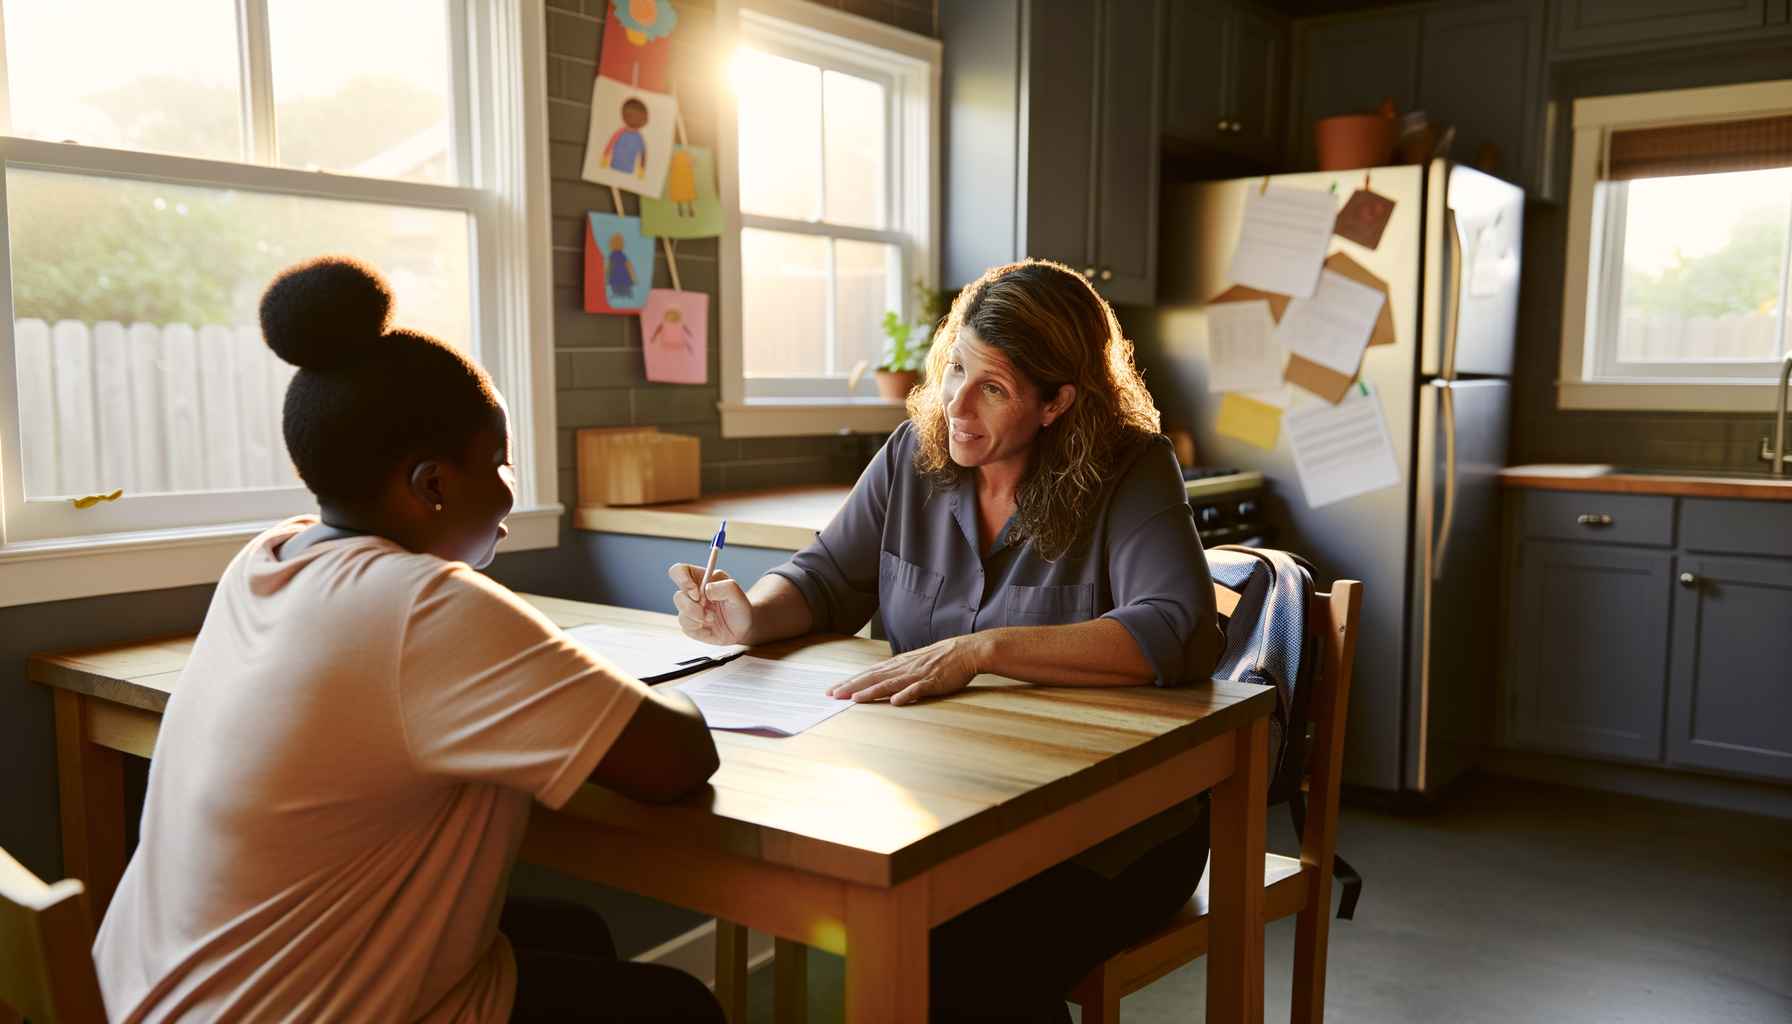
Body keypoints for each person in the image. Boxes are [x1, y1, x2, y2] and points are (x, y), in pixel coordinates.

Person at [94, 256, 726, 1024]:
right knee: (679, 1007)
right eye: (498, 461)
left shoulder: (267, 559)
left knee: (575, 931)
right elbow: (678, 762)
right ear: (432, 484)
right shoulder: (429, 605)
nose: (508, 487)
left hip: (158, 997)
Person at [667, 259, 1225, 1023]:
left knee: (960, 960)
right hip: (951, 809)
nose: (954, 404)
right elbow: (827, 575)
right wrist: (752, 614)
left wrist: (985, 648)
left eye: (991, 387)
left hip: (1115, 831)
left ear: (1058, 400)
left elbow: (1179, 628)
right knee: (899, 940)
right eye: (955, 367)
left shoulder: (1131, 467)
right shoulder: (912, 454)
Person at [601, 97, 650, 179]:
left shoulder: (637, 137)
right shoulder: (620, 133)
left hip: (627, 171)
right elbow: (611, 143)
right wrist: (605, 157)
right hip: (614, 166)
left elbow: (643, 154)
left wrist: (642, 168)